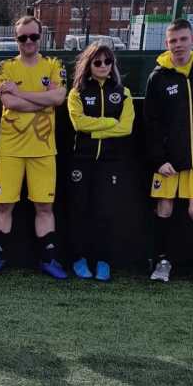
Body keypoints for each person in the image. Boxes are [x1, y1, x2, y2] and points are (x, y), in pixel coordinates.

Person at [0, 16, 68, 279]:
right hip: (10, 148)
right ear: (16, 39)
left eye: (33, 36)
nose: (28, 41)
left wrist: (20, 93)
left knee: (44, 207)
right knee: (4, 206)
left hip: (43, 149)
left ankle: (48, 260)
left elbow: (59, 97)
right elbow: (9, 103)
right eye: (23, 37)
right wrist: (43, 100)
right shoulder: (4, 67)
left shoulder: (54, 64)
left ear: (41, 36)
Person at [144, 18, 193, 284]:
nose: (178, 45)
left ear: (192, 40)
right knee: (164, 207)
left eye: (182, 39)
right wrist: (158, 159)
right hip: (168, 160)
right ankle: (161, 261)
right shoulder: (157, 77)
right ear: (167, 44)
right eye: (173, 41)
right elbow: (150, 123)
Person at [66, 43, 134, 282]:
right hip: (81, 161)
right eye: (98, 62)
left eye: (108, 61)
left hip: (110, 162)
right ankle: (79, 259)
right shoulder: (77, 93)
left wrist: (95, 131)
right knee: (79, 212)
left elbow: (126, 127)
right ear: (89, 65)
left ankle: (103, 261)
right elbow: (79, 124)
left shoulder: (123, 92)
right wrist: (109, 124)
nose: (103, 66)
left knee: (105, 213)